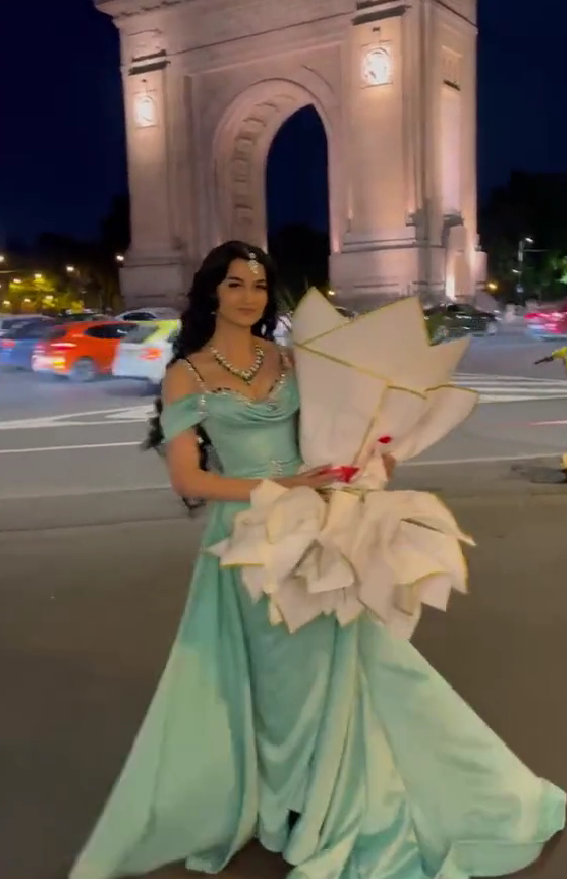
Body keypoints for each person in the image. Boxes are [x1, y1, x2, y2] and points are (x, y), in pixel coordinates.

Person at [70, 241, 564, 879]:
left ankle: (328, 798)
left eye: (258, 285)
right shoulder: (187, 373)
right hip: (248, 538)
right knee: (280, 683)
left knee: (340, 662)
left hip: (319, 526)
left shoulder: (292, 358)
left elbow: (344, 425)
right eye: (235, 284)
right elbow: (189, 480)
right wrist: (280, 487)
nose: (249, 297)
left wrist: (372, 458)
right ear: (211, 291)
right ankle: (291, 797)